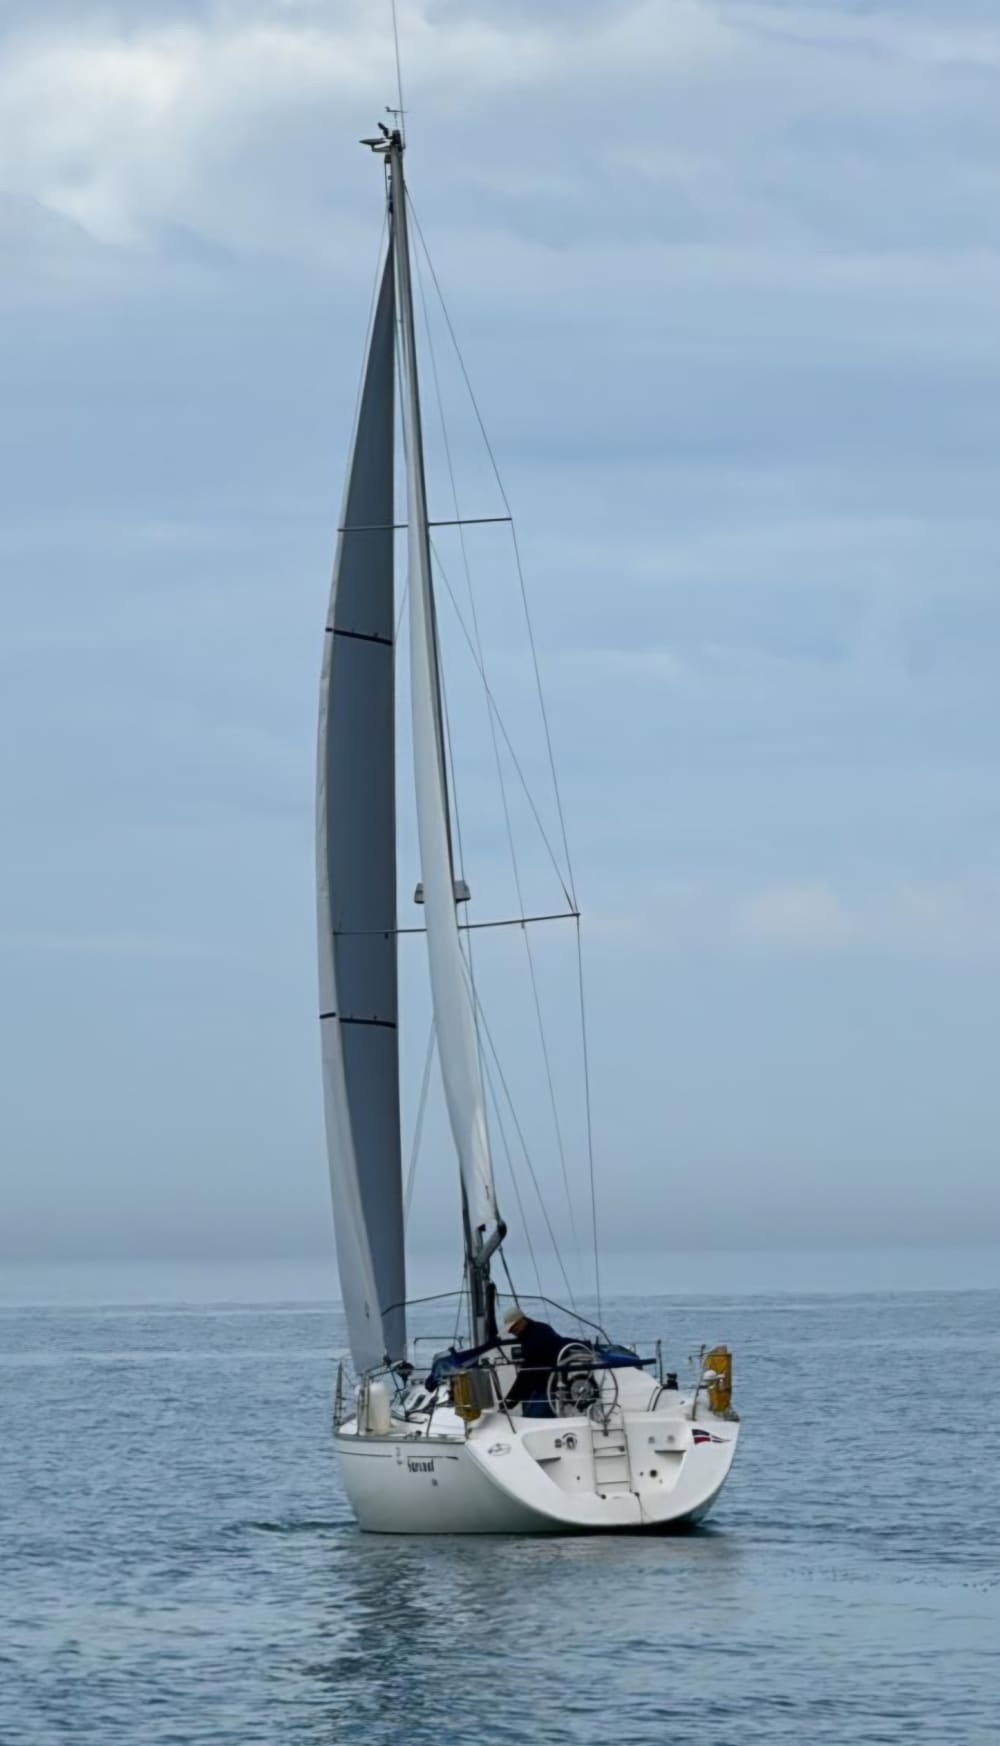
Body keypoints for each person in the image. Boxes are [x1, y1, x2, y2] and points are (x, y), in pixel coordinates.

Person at [501, 1306, 572, 1416]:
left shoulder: (534, 1340)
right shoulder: (541, 1328)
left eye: (513, 1328)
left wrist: (509, 1402)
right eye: (510, 1330)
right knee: (528, 1402)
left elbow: (526, 1375)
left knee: (531, 1417)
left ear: (521, 1321)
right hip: (553, 1380)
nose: (512, 1332)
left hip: (548, 1387)